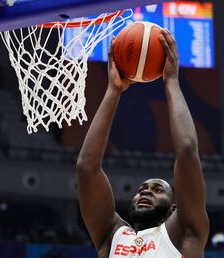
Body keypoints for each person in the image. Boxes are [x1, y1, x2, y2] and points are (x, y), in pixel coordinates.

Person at [76, 29, 209, 258]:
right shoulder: (112, 236)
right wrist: (113, 90)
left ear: (174, 207)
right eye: (142, 189)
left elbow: (187, 150)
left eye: (158, 190)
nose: (146, 192)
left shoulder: (184, 234)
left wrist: (171, 81)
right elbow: (86, 168)